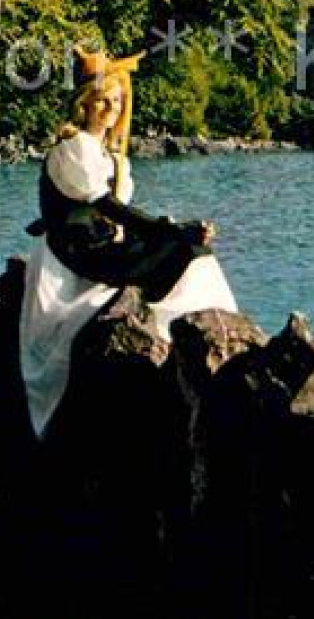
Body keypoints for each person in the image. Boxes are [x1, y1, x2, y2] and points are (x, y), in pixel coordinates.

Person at [18, 47, 237, 436]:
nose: (110, 108)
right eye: (102, 100)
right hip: (78, 253)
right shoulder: (72, 149)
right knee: (185, 248)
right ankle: (186, 342)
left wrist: (173, 229)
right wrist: (172, 231)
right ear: (84, 103)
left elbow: (118, 214)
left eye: (117, 101)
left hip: (102, 246)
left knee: (193, 251)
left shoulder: (110, 155)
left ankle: (192, 340)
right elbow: (109, 207)